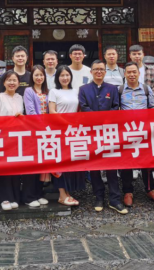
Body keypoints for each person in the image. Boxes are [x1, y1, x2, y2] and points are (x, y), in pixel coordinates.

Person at [79, 60, 127, 214]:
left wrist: (105, 120)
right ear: (91, 72)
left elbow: (115, 106)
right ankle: (98, 197)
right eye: (96, 69)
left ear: (105, 72)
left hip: (109, 131)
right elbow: (83, 107)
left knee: (111, 166)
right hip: (92, 132)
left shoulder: (112, 89)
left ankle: (115, 199)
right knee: (95, 167)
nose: (98, 72)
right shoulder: (83, 89)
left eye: (101, 69)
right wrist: (97, 119)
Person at [118, 62, 154, 206]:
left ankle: (150, 189)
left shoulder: (146, 89)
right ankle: (128, 191)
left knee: (146, 161)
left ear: (138, 73)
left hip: (144, 131)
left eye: (134, 72)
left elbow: (153, 108)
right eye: (129, 72)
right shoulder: (119, 90)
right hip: (126, 132)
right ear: (125, 74)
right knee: (126, 162)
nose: (132, 75)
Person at [48, 65, 86, 206]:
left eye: (67, 75)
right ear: (57, 78)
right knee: (60, 164)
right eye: (62, 75)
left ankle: (68, 193)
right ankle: (62, 195)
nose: (65, 78)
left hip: (73, 132)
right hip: (59, 131)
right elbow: (52, 111)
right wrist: (67, 123)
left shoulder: (75, 91)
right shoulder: (54, 91)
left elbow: (79, 110)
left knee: (69, 163)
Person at [0, 70, 26, 210]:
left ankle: (15, 197)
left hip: (17, 138)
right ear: (3, 82)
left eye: (14, 80)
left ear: (19, 83)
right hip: (3, 138)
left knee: (16, 167)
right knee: (4, 168)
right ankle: (5, 198)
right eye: (9, 80)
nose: (12, 83)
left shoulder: (20, 98)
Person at [22, 65, 51, 208]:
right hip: (34, 132)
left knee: (42, 164)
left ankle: (39, 194)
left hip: (46, 132)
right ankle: (29, 196)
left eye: (41, 75)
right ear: (31, 77)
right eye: (36, 75)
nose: (39, 78)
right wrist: (42, 126)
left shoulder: (47, 91)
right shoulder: (29, 91)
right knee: (32, 164)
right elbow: (31, 112)